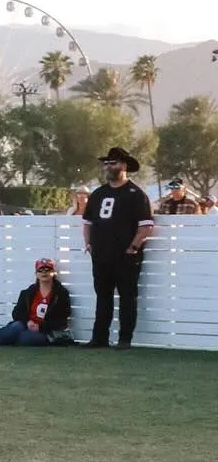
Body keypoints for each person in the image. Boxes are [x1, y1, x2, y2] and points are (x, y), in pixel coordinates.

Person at [83, 147, 154, 349]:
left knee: (127, 299)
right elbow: (87, 222)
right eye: (106, 163)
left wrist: (133, 247)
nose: (108, 166)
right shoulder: (98, 194)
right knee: (103, 298)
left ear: (124, 165)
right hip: (101, 256)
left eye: (112, 163)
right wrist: (88, 243)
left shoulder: (136, 194)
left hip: (126, 257)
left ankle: (124, 339)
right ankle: (99, 338)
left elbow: (146, 226)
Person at [0, 257, 73, 345]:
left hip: (46, 331)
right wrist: (28, 322)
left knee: (24, 337)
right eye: (41, 270)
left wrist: (41, 327)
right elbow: (16, 313)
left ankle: (3, 339)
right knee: (16, 327)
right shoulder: (28, 292)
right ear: (36, 274)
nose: (44, 272)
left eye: (47, 269)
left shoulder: (61, 294)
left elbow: (61, 319)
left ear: (54, 273)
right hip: (26, 325)